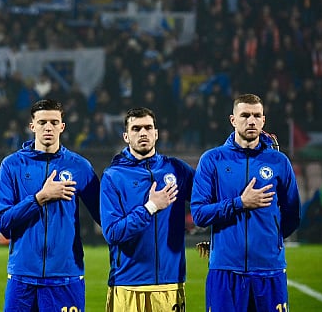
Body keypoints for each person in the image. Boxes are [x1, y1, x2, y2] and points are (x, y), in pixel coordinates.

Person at [191, 93, 301, 311]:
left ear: (263, 120)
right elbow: (199, 214)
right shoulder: (212, 160)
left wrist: (269, 239)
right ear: (233, 120)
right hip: (225, 270)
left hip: (269, 269)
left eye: (256, 115)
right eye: (244, 115)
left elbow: (292, 215)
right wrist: (240, 203)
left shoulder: (279, 162)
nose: (251, 121)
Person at [0, 98, 101, 312]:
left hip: (65, 275)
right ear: (32, 126)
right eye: (42, 122)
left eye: (54, 122)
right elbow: (3, 222)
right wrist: (39, 198)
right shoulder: (12, 165)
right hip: (22, 276)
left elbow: (105, 216)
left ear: (62, 126)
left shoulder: (79, 167)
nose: (48, 127)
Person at [100, 107, 194, 312]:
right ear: (126, 136)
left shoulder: (176, 169)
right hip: (127, 285)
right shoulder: (113, 176)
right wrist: (150, 207)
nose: (143, 133)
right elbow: (112, 233)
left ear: (156, 133)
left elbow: (209, 198)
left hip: (170, 283)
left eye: (148, 127)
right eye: (136, 128)